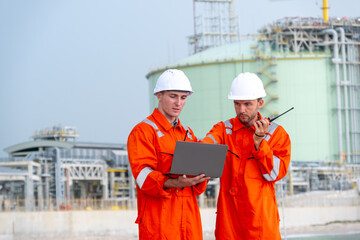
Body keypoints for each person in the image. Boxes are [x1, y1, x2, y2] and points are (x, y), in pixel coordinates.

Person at [201, 72, 291, 240]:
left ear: (260, 103)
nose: (241, 110)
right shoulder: (223, 129)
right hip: (229, 225)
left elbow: (274, 174)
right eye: (237, 104)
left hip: (261, 225)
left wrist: (259, 143)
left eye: (247, 104)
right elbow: (207, 143)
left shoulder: (277, 134)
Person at [127, 69, 210, 240]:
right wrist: (173, 182)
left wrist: (204, 175)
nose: (178, 103)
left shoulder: (188, 134)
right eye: (173, 96)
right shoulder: (143, 132)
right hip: (159, 225)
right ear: (158, 95)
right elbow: (143, 177)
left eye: (183, 98)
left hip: (189, 225)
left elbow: (197, 189)